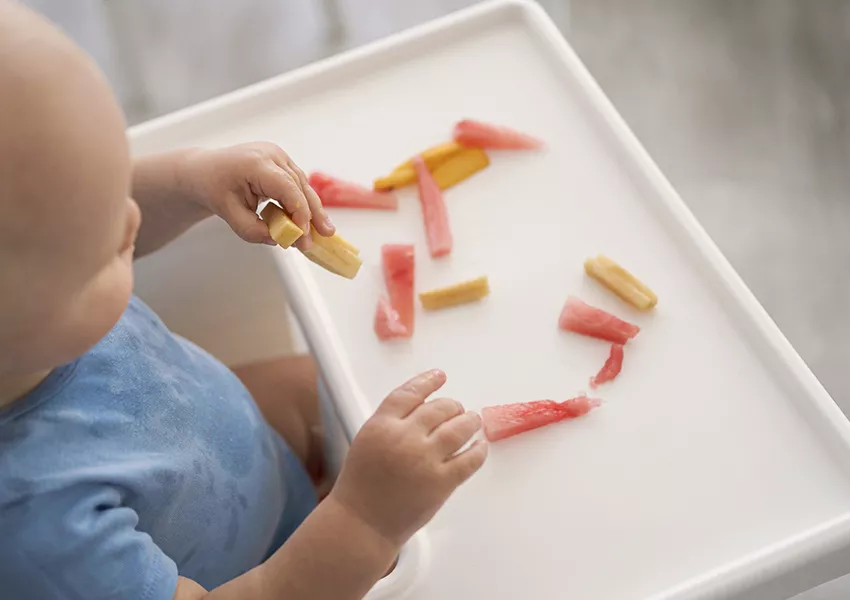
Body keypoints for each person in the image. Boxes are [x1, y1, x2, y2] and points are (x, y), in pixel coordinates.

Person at [0, 3, 489, 599]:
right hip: (265, 573)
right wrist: (364, 520)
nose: (131, 219)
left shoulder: (33, 308)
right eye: (106, 246)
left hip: (230, 436)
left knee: (359, 385)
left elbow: (107, 206)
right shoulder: (39, 531)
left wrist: (190, 177)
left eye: (116, 188)